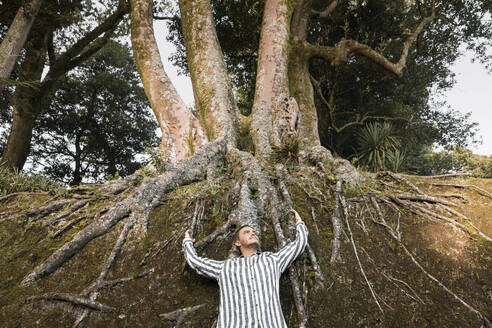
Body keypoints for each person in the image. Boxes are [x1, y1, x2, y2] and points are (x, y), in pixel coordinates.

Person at [182, 209, 309, 328]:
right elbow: (196, 262)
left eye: (253, 232)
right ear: (238, 243)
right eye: (247, 232)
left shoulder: (272, 260)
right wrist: (187, 242)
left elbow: (299, 244)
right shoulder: (225, 267)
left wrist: (299, 222)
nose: (252, 233)